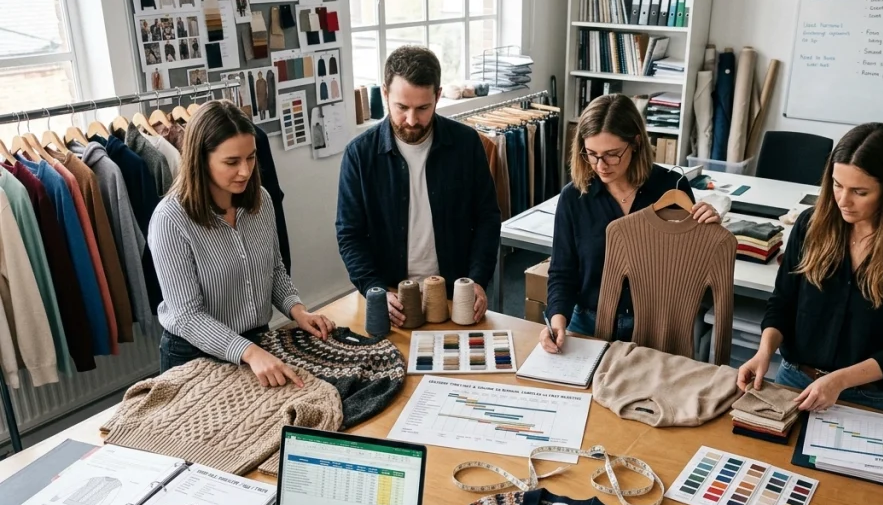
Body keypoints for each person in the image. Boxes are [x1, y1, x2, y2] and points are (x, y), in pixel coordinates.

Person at [737, 122, 883, 414]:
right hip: (793, 381)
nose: (843, 201)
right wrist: (764, 351)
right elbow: (782, 303)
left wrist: (839, 381)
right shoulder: (810, 225)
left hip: (868, 398)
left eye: (860, 192)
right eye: (837, 185)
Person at [149, 100, 334, 386]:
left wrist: (298, 311)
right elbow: (188, 317)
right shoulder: (170, 220)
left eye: (250, 158)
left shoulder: (261, 200)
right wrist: (248, 352)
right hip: (194, 357)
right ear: (200, 159)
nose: (246, 171)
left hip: (256, 344)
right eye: (232, 162)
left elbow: (274, 271)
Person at [541, 93, 727, 353]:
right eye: (591, 154)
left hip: (654, 328)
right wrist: (557, 319)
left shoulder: (671, 188)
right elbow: (562, 272)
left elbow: (689, 267)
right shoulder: (575, 197)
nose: (600, 165)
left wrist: (707, 230)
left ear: (637, 142)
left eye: (612, 154)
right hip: (588, 323)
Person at [336, 45, 501, 326]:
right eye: (401, 107)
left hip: (455, 293)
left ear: (437, 96)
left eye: (423, 108)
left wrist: (477, 280)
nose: (412, 121)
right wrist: (373, 289)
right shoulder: (359, 155)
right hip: (390, 295)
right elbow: (350, 234)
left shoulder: (466, 144)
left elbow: (487, 218)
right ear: (386, 95)